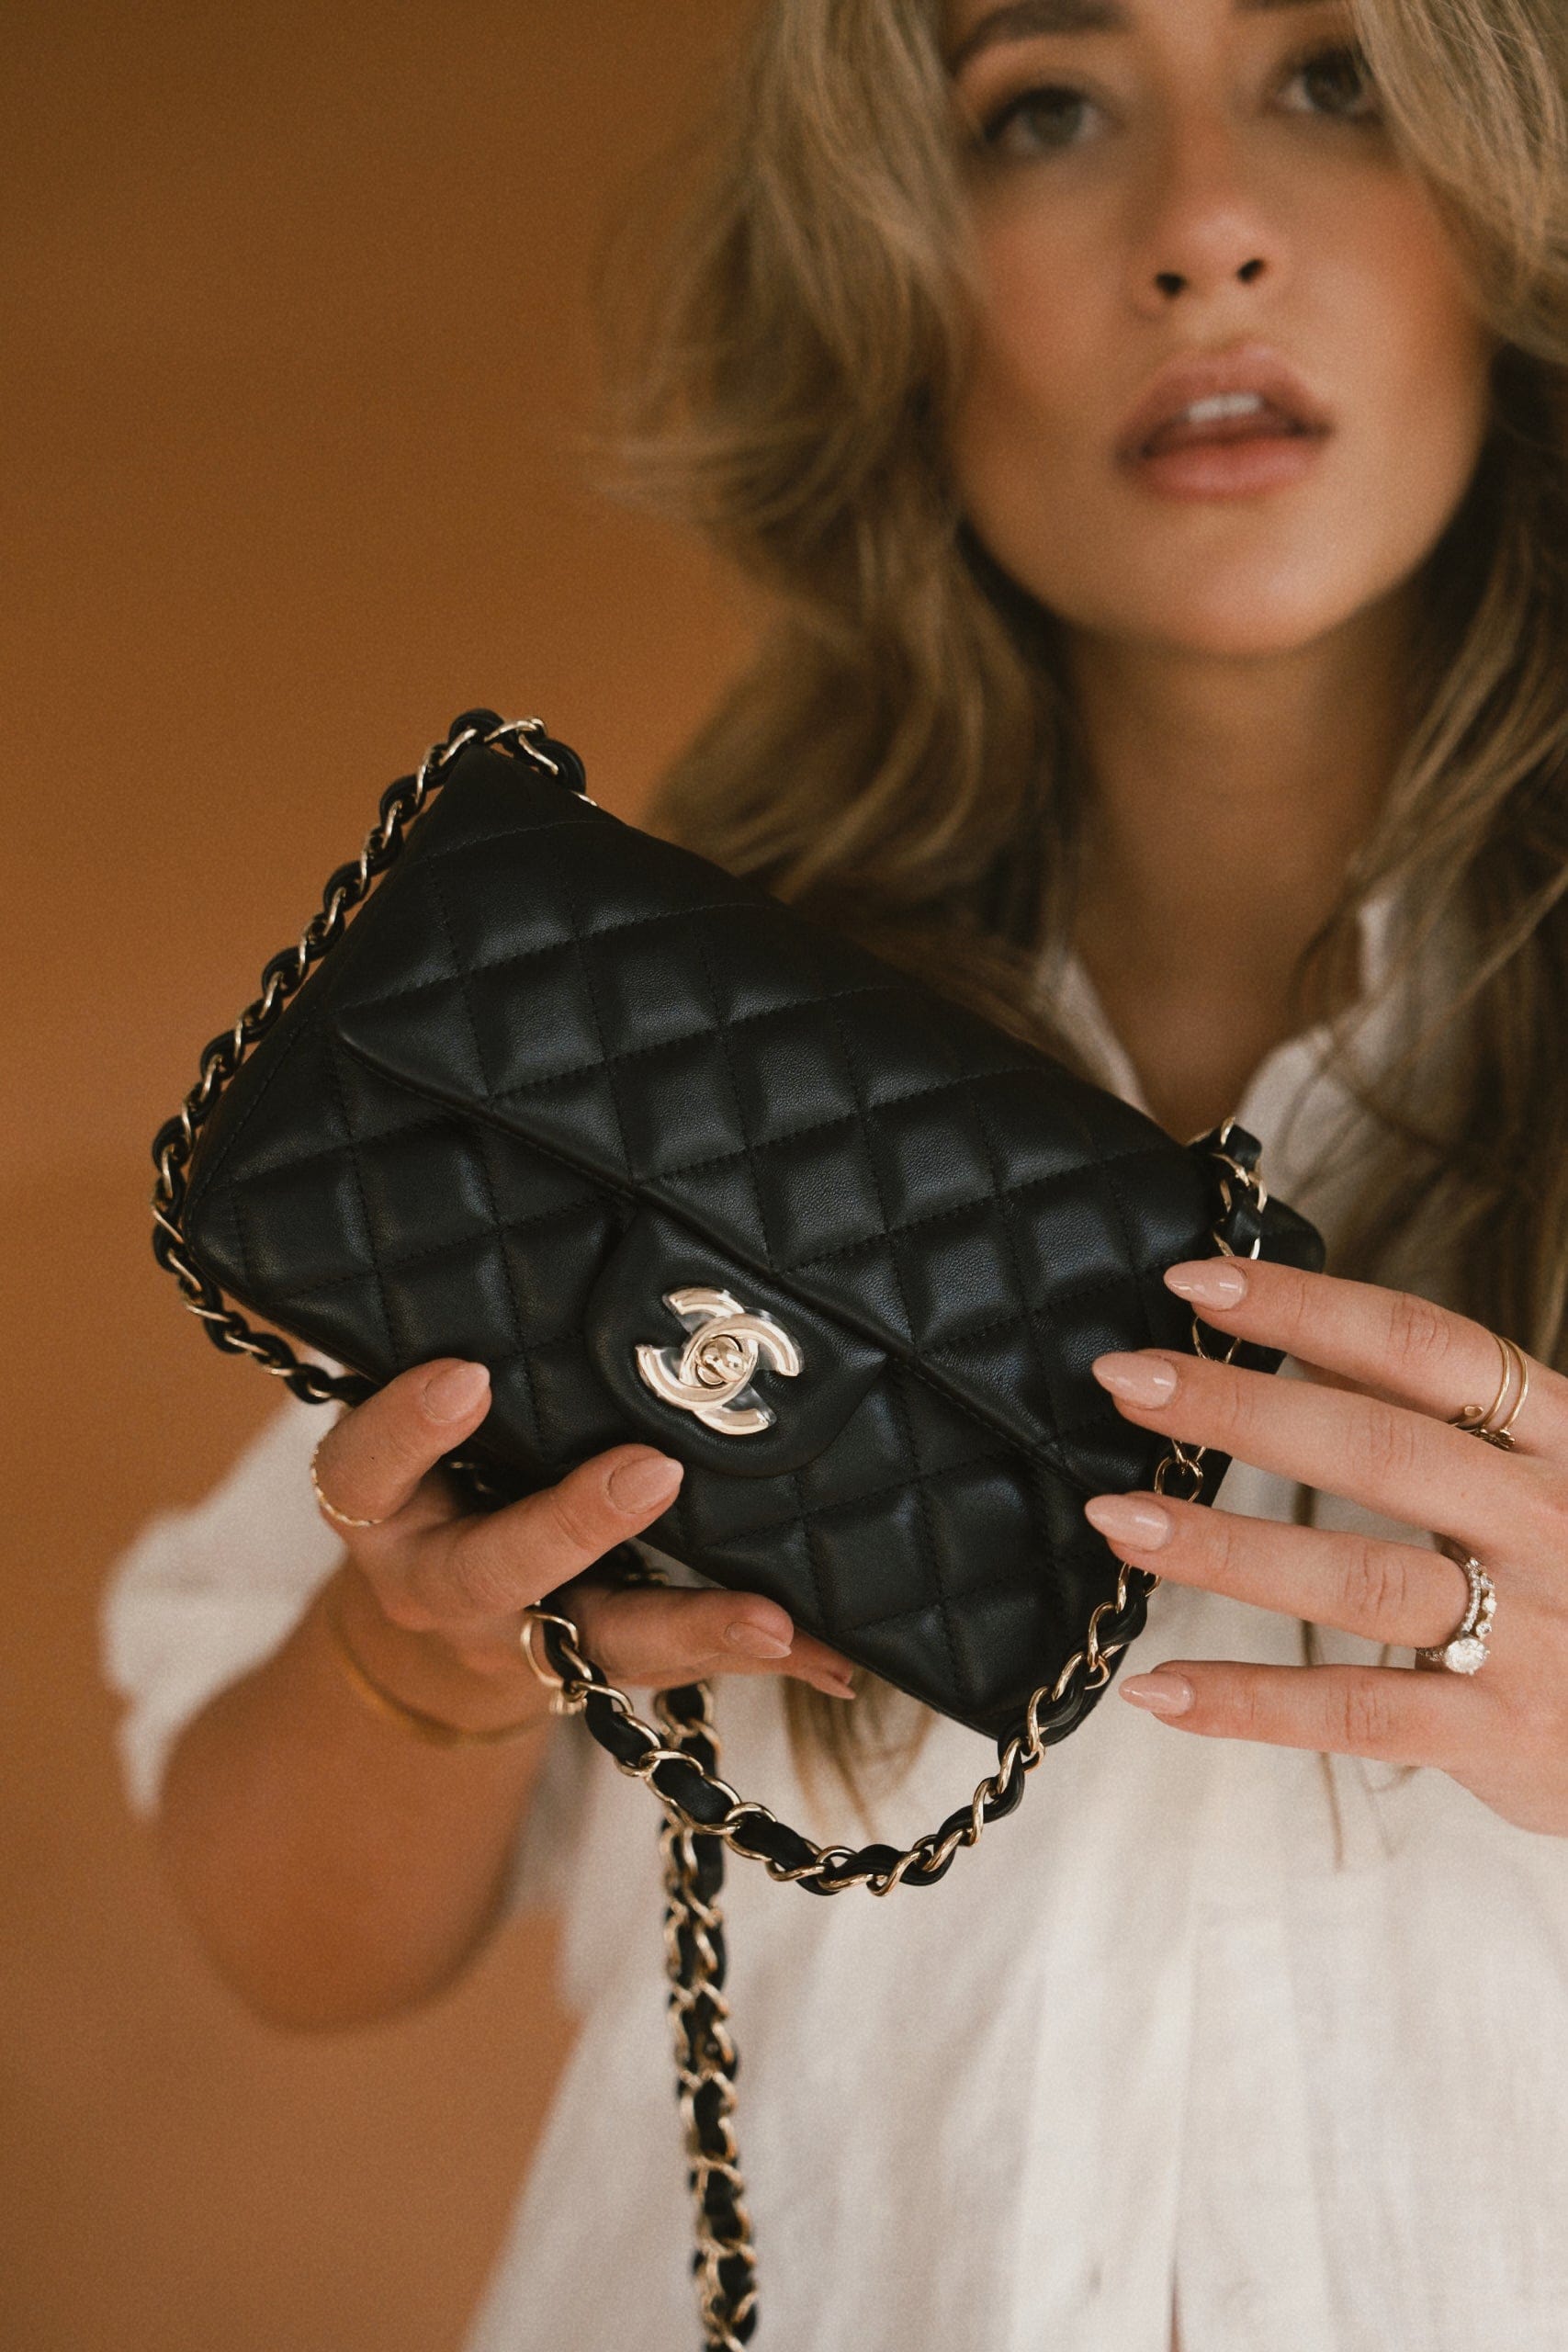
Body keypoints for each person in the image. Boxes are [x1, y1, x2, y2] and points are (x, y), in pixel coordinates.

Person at [101, 1, 1568, 2346]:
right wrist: (421, 1665)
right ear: (886, 268)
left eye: (1335, 76)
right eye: (1043, 106)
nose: (1202, 228)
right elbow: (283, 1926)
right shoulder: (631, 1013)